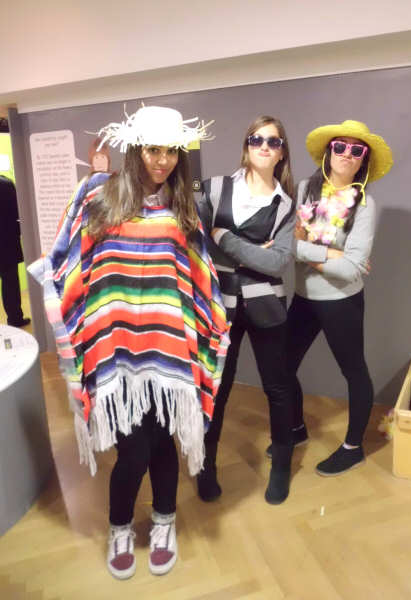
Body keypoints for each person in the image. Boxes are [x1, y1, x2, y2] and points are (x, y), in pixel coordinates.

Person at [28, 106, 229, 579]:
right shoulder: (97, 192)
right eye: (153, 150)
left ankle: (164, 521)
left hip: (168, 347)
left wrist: (212, 322)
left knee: (163, 444)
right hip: (113, 347)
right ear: (135, 149)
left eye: (171, 151)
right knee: (133, 449)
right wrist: (66, 306)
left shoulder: (183, 206)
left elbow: (199, 274)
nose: (162, 160)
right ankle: (119, 527)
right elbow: (66, 258)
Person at [197, 115, 296, 504]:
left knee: (278, 387)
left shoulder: (285, 205)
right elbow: (193, 239)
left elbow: (278, 263)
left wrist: (224, 237)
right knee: (217, 387)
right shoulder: (213, 188)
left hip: (267, 304)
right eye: (257, 139)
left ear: (282, 152)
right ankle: (205, 466)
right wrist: (255, 252)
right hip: (219, 303)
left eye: (273, 141)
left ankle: (282, 467)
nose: (264, 147)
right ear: (246, 145)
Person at [285, 119, 393, 476]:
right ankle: (296, 429)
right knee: (282, 367)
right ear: (328, 152)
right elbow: (288, 243)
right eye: (340, 146)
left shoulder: (364, 204)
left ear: (364, 160)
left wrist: (307, 251)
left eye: (356, 150)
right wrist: (331, 255)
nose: (347, 154)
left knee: (354, 371)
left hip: (341, 301)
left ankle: (352, 448)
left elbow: (350, 270)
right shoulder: (305, 190)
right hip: (303, 296)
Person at [0, 175, 30, 327]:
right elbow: (18, 212)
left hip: (6, 241)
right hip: (6, 242)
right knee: (10, 283)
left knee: (9, 282)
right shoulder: (5, 183)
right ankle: (15, 318)